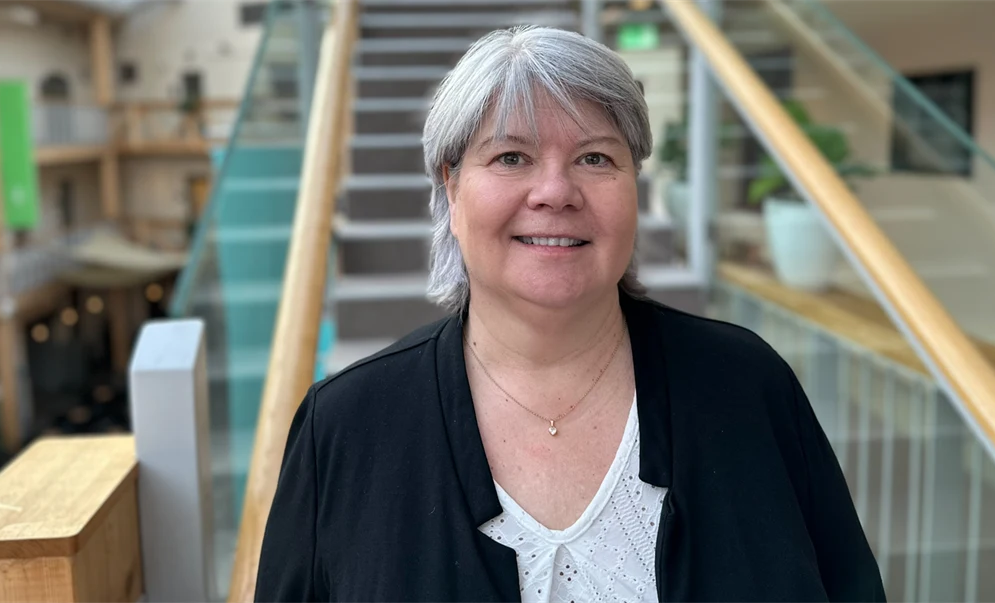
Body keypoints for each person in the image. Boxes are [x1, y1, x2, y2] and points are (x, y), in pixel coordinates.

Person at [254, 26, 885, 603]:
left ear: (635, 186)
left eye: (595, 158)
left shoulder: (749, 387)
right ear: (450, 184)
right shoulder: (345, 428)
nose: (555, 192)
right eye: (511, 157)